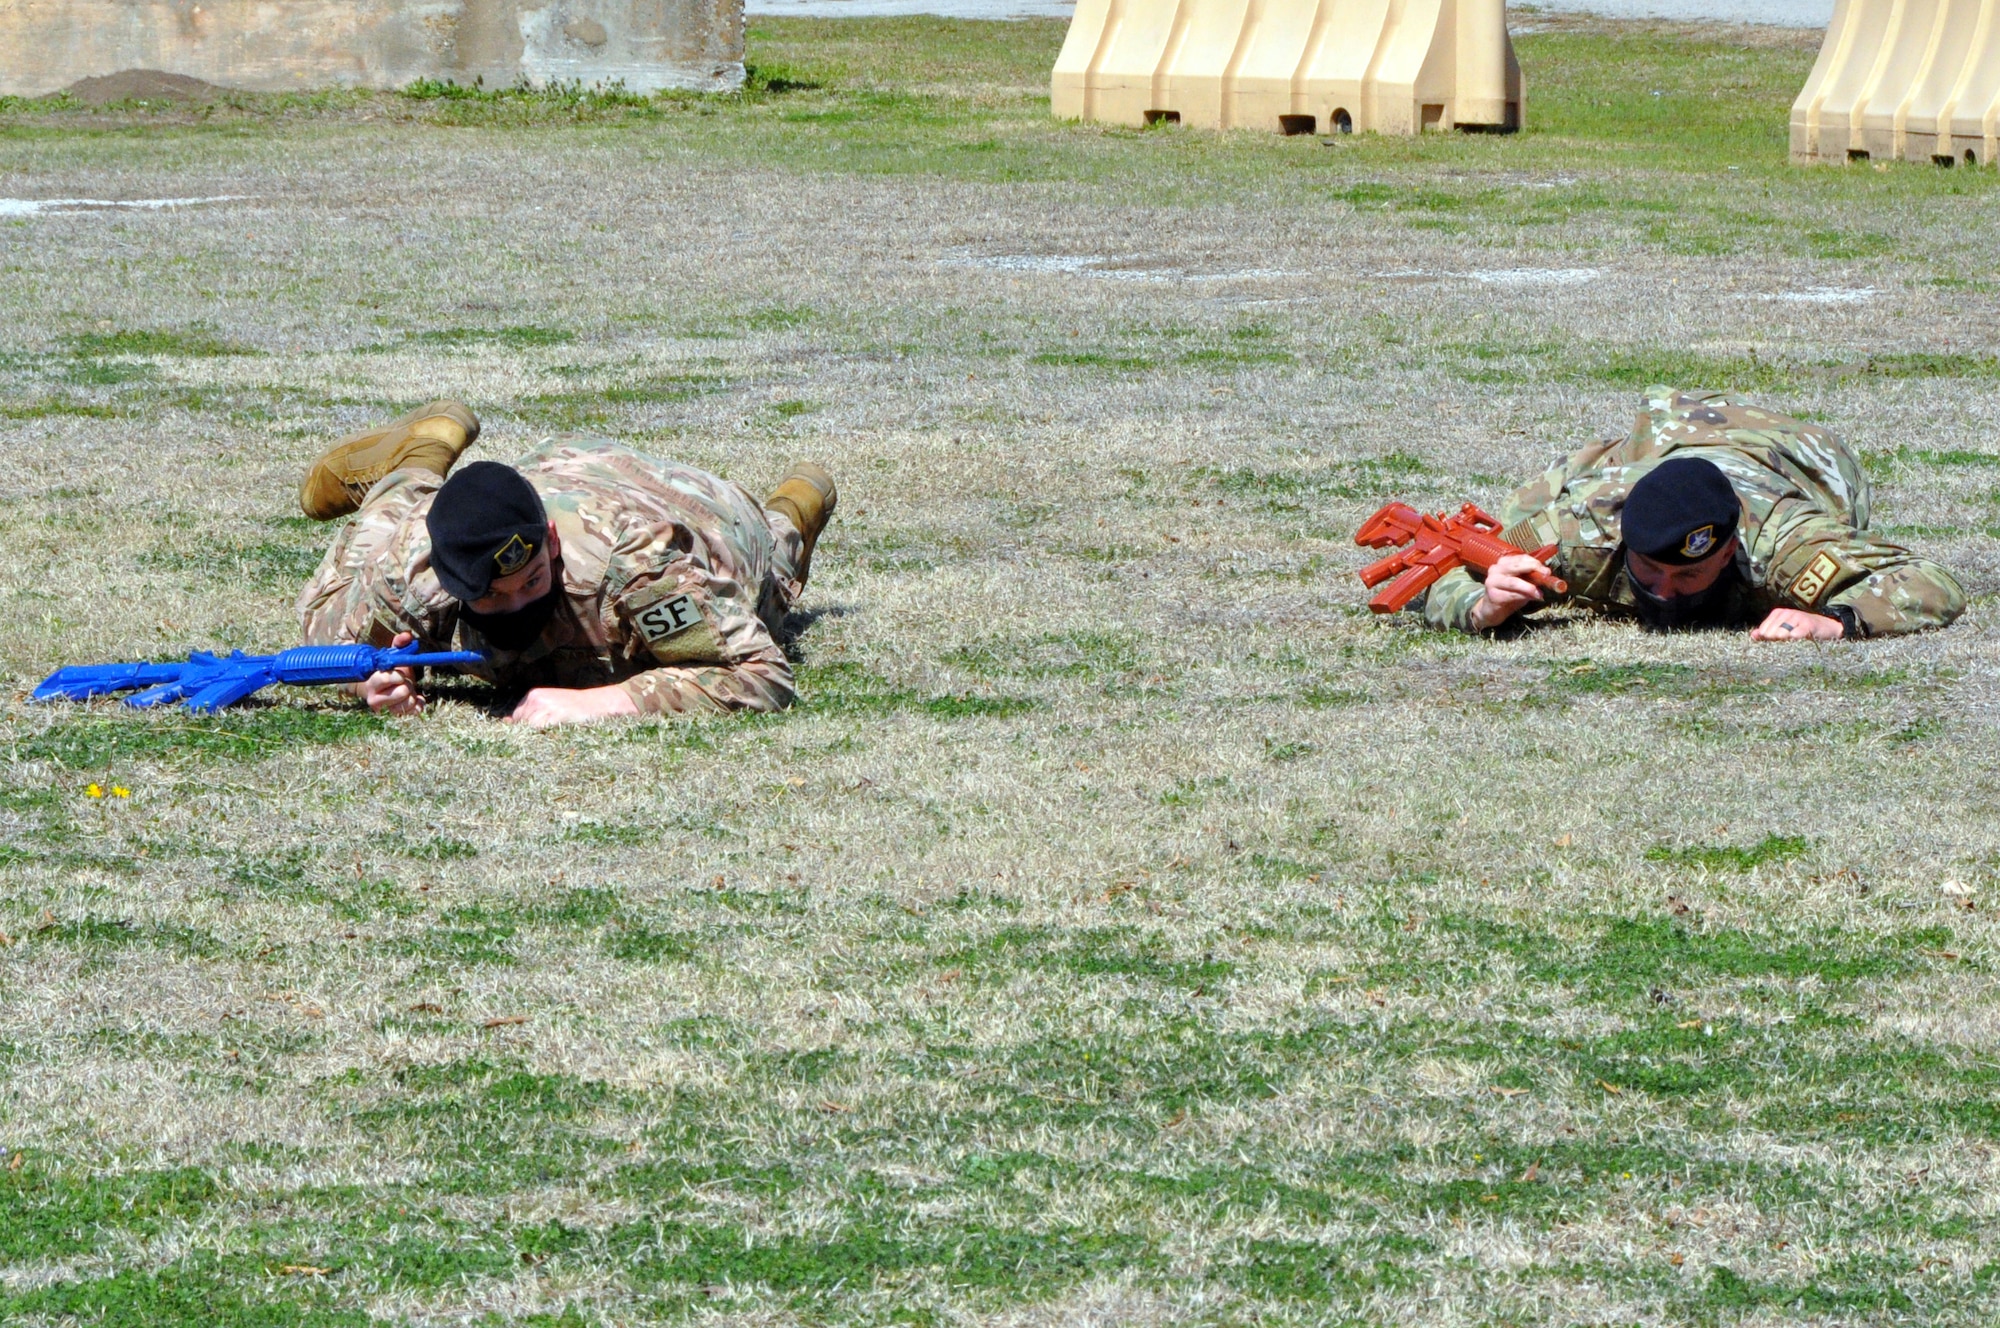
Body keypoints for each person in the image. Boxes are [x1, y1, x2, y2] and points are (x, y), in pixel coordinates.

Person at [294, 400, 835, 727]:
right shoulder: (413, 570)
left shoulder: (639, 565)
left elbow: (759, 674)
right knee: (372, 544)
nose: (517, 603)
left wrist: (603, 702)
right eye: (490, 597)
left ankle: (797, 501)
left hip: (694, 505)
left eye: (531, 581)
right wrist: (371, 683)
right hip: (552, 470)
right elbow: (329, 641)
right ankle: (422, 454)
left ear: (548, 542)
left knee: (767, 573)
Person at [1420, 386, 1966, 640]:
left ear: (1729, 550)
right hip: (1662, 442)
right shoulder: (1579, 534)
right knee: (1526, 500)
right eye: (1650, 571)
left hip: (1794, 455)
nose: (1665, 592)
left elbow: (1931, 581)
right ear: (1622, 544)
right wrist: (1479, 606)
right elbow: (1445, 565)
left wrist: (1836, 621)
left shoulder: (1785, 546)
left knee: (1841, 483)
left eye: (1690, 574)